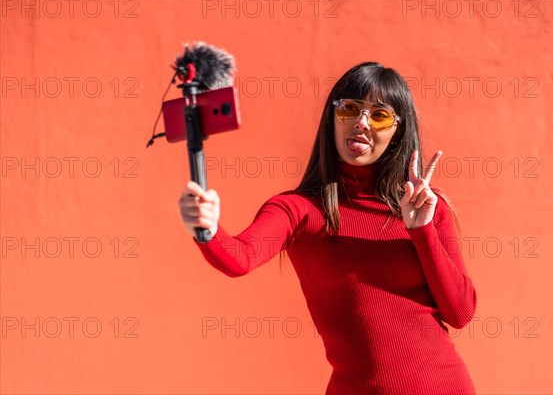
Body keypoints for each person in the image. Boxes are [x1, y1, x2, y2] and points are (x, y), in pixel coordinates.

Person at [178, 61, 477, 394]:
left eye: (379, 115)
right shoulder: (298, 210)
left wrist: (422, 232)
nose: (362, 123)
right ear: (332, 119)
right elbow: (240, 257)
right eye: (350, 109)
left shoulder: (428, 209)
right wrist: (206, 227)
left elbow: (460, 312)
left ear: (396, 133)